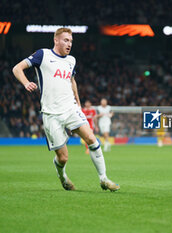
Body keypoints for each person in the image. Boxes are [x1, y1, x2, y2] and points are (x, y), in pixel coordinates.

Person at [12, 27, 120, 192]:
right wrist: (26, 83)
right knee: (63, 157)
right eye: (65, 40)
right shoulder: (43, 55)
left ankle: (104, 179)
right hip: (51, 114)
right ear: (56, 40)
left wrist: (78, 102)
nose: (69, 44)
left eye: (71, 41)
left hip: (70, 109)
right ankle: (62, 176)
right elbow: (17, 68)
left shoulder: (71, 60)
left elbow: (72, 80)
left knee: (92, 139)